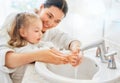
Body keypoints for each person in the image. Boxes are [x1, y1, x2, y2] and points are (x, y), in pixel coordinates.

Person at [0, 0, 82, 82]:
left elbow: (69, 40)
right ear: (41, 7)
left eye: (57, 21)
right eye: (49, 16)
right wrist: (39, 55)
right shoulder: (18, 20)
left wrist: (76, 50)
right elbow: (3, 58)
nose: (50, 23)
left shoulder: (50, 32)